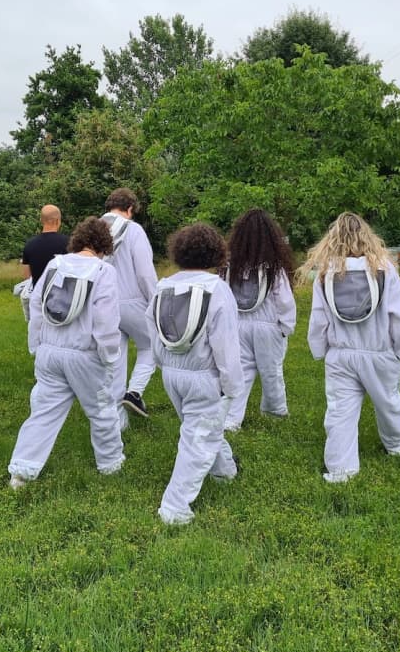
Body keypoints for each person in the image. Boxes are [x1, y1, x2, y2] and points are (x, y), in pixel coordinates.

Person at [7, 217, 125, 487]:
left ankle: (21, 471)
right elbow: (106, 319)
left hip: (49, 350)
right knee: (101, 410)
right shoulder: (104, 271)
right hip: (84, 354)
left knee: (43, 411)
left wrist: (36, 344)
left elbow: (36, 304)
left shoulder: (55, 264)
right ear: (104, 245)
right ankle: (110, 464)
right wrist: (109, 355)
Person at [302, 212, 400, 483]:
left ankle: (341, 469)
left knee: (340, 411)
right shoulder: (385, 271)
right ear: (367, 237)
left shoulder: (326, 275)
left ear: (333, 240)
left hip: (340, 354)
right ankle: (398, 444)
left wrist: (319, 349)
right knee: (388, 402)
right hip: (379, 351)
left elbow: (318, 319)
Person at [148, 223, 242, 525]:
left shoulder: (164, 287)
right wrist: (231, 385)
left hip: (172, 373)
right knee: (197, 439)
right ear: (216, 253)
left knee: (200, 428)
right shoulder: (217, 289)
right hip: (204, 375)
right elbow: (226, 343)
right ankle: (174, 509)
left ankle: (224, 471)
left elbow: (153, 334)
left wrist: (164, 365)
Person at [220, 208, 297, 431]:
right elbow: (284, 300)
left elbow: (223, 295)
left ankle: (231, 418)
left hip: (239, 325)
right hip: (268, 327)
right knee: (271, 371)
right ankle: (275, 411)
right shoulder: (274, 269)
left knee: (240, 371)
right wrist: (286, 326)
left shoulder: (230, 267)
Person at [100, 187, 158, 422]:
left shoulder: (94, 228)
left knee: (115, 360)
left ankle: (117, 420)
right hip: (133, 302)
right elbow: (144, 272)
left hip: (104, 303)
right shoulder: (133, 230)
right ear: (130, 208)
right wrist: (155, 300)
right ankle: (134, 392)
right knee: (152, 346)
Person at [15, 205, 70, 322]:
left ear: (41, 220)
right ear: (58, 221)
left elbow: (26, 276)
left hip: (38, 299)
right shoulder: (68, 243)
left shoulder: (29, 244)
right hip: (62, 300)